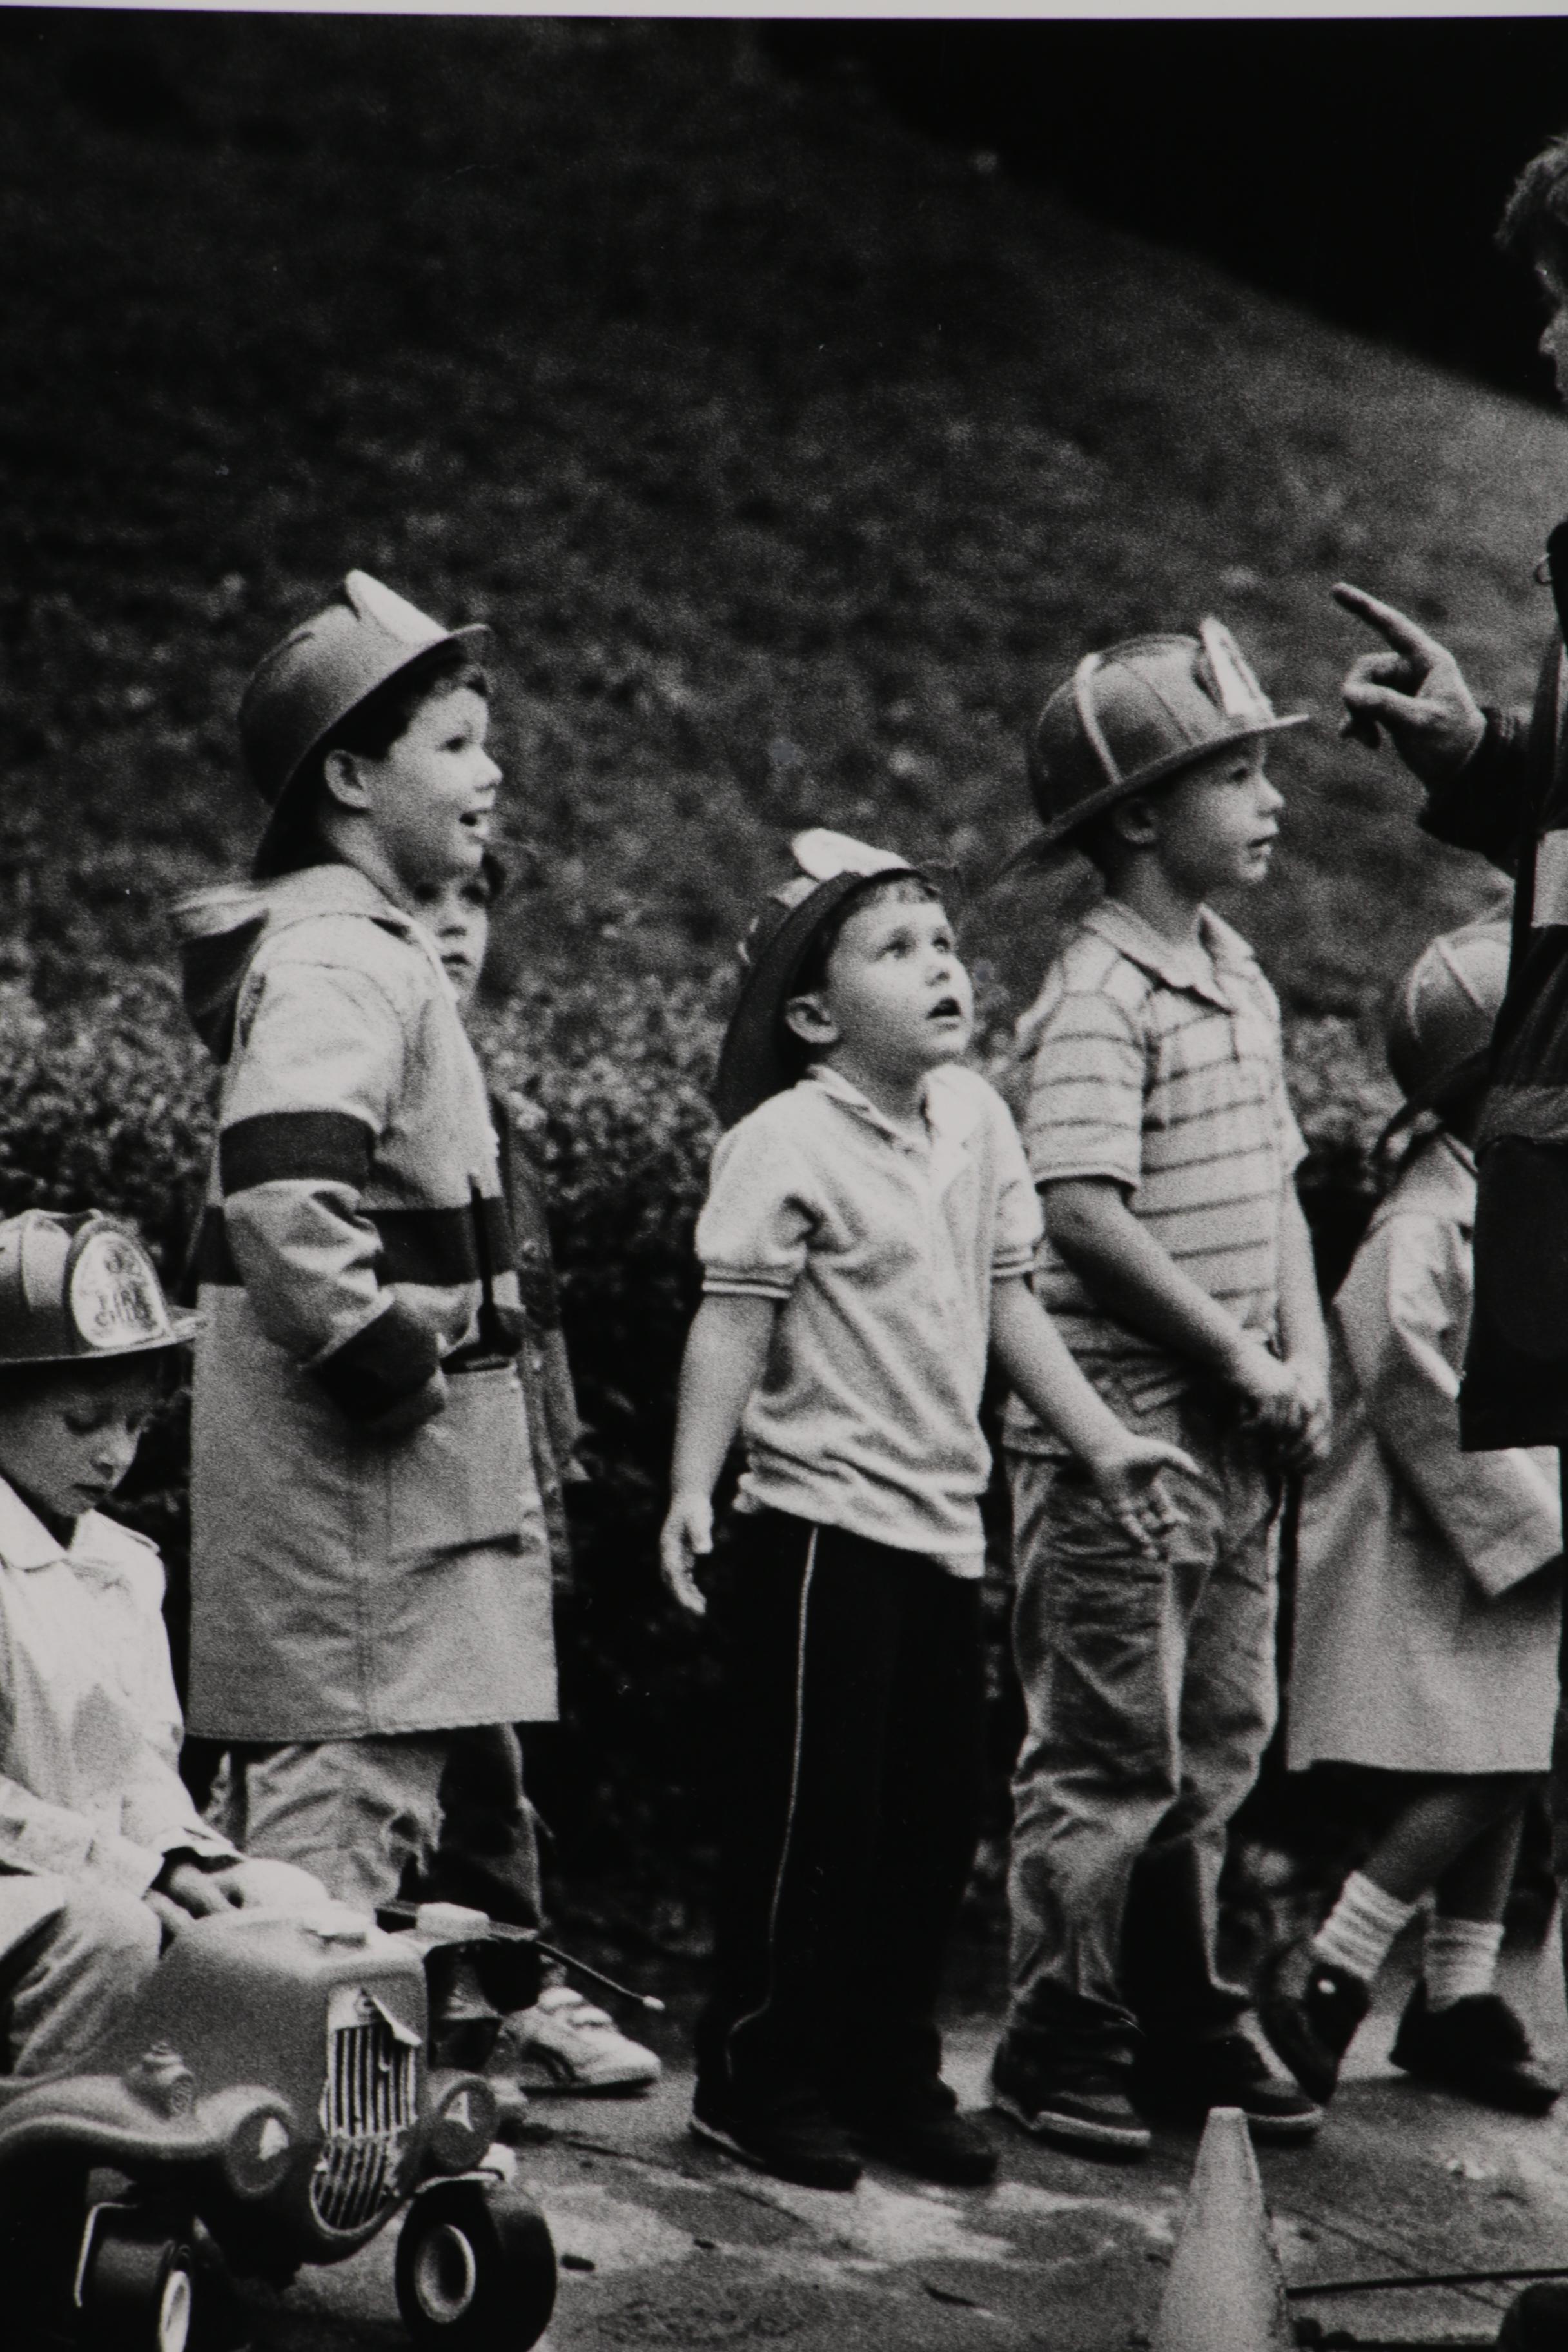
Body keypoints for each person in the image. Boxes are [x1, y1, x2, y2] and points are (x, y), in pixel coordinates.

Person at [660, 828, 1195, 2193]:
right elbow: (731, 1322)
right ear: (813, 1017)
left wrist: (1101, 1443)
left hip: (942, 1533)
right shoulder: (783, 1142)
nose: (941, 967)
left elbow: (1011, 1302)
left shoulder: (977, 1121)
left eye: (943, 942)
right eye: (895, 949)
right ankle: (757, 2074)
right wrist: (691, 1486)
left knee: (928, 1825)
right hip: (818, 1531)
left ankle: (883, 2070)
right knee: (812, 1823)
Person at [173, 571, 557, 1941]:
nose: (490, 773)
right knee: (320, 1896)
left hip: (388, 1542)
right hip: (356, 1548)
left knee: (375, 1868)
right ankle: (274, 2085)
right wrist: (393, 1370)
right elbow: (287, 1204)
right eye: (453, 744)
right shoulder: (343, 963)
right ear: (349, 778)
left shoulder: (368, 952)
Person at [990, 622, 1331, 2159]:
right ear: (1137, 816)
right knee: (1107, 1749)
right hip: (1122, 1431)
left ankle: (1180, 2006)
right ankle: (1058, 2032)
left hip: (1238, 1432)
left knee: (1215, 1736)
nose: (1274, 801)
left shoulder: (1234, 974)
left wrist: (1298, 1355)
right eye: (1237, 776)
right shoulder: (1098, 991)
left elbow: (1280, 1192)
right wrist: (1235, 1354)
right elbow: (1080, 1212)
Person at [1261, 919, 1561, 2118]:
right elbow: (1406, 1377)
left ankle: (1456, 1995)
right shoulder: (1425, 1225)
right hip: (1453, 1534)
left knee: (1507, 1747)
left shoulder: (1515, 1194)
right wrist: (1531, 1524)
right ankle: (1332, 1964)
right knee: (1496, 1759)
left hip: (1509, 1528)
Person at [411, 856, 660, 2093]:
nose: (456, 927)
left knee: (492, 1763)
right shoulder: (377, 1084)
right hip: (401, 1482)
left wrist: (545, 1478)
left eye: (473, 904)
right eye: (427, 903)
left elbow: (531, 1319)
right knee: (413, 1766)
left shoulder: (495, 1107)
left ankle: (510, 1996)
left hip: (495, 1474)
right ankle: (434, 2022)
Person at [0, 1209, 325, 2078]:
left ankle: (242, 2141)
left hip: (93, 1873)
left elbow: (141, 1764)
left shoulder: (124, 1565)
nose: (115, 1456)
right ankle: (52, 2145)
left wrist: (183, 1857)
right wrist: (131, 1874)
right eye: (83, 1421)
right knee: (109, 1930)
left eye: (137, 1424)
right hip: (43, 1888)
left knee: (284, 1904)